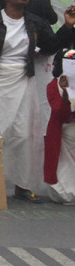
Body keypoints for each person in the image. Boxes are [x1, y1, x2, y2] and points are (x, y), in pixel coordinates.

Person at [0, 0, 75, 203]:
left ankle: (22, 185)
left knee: (24, 134)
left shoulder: (35, 22)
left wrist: (67, 27)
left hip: (23, 82)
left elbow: (52, 45)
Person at [44, 47, 75, 204]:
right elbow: (59, 113)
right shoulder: (53, 86)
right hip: (63, 134)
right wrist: (64, 94)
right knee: (65, 184)